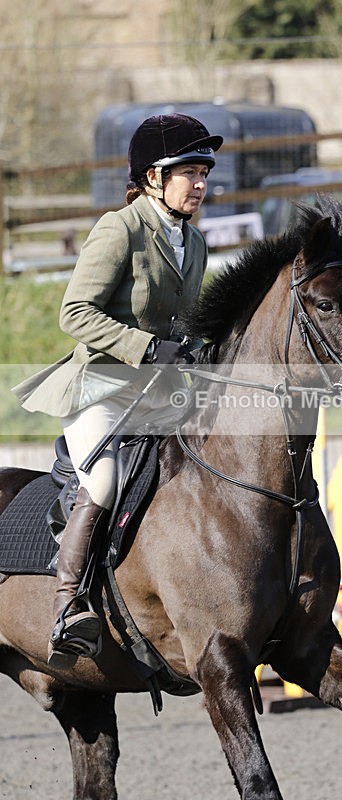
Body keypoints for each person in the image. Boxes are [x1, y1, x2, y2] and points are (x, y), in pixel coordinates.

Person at [13, 113, 223, 665]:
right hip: (102, 387)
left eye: (204, 173)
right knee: (104, 479)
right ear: (153, 177)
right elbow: (74, 313)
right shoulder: (120, 229)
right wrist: (148, 349)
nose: (200, 184)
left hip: (159, 394)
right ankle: (69, 603)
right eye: (188, 173)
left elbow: (184, 323)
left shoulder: (194, 242)